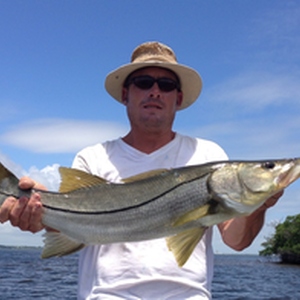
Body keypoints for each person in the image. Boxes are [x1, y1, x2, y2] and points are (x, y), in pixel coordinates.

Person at [0, 41, 283, 299]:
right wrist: (37, 211)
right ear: (126, 94)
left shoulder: (210, 155)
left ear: (179, 98)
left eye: (167, 85)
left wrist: (259, 205)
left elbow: (236, 240)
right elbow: (73, 225)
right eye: (144, 82)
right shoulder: (93, 157)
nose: (155, 91)